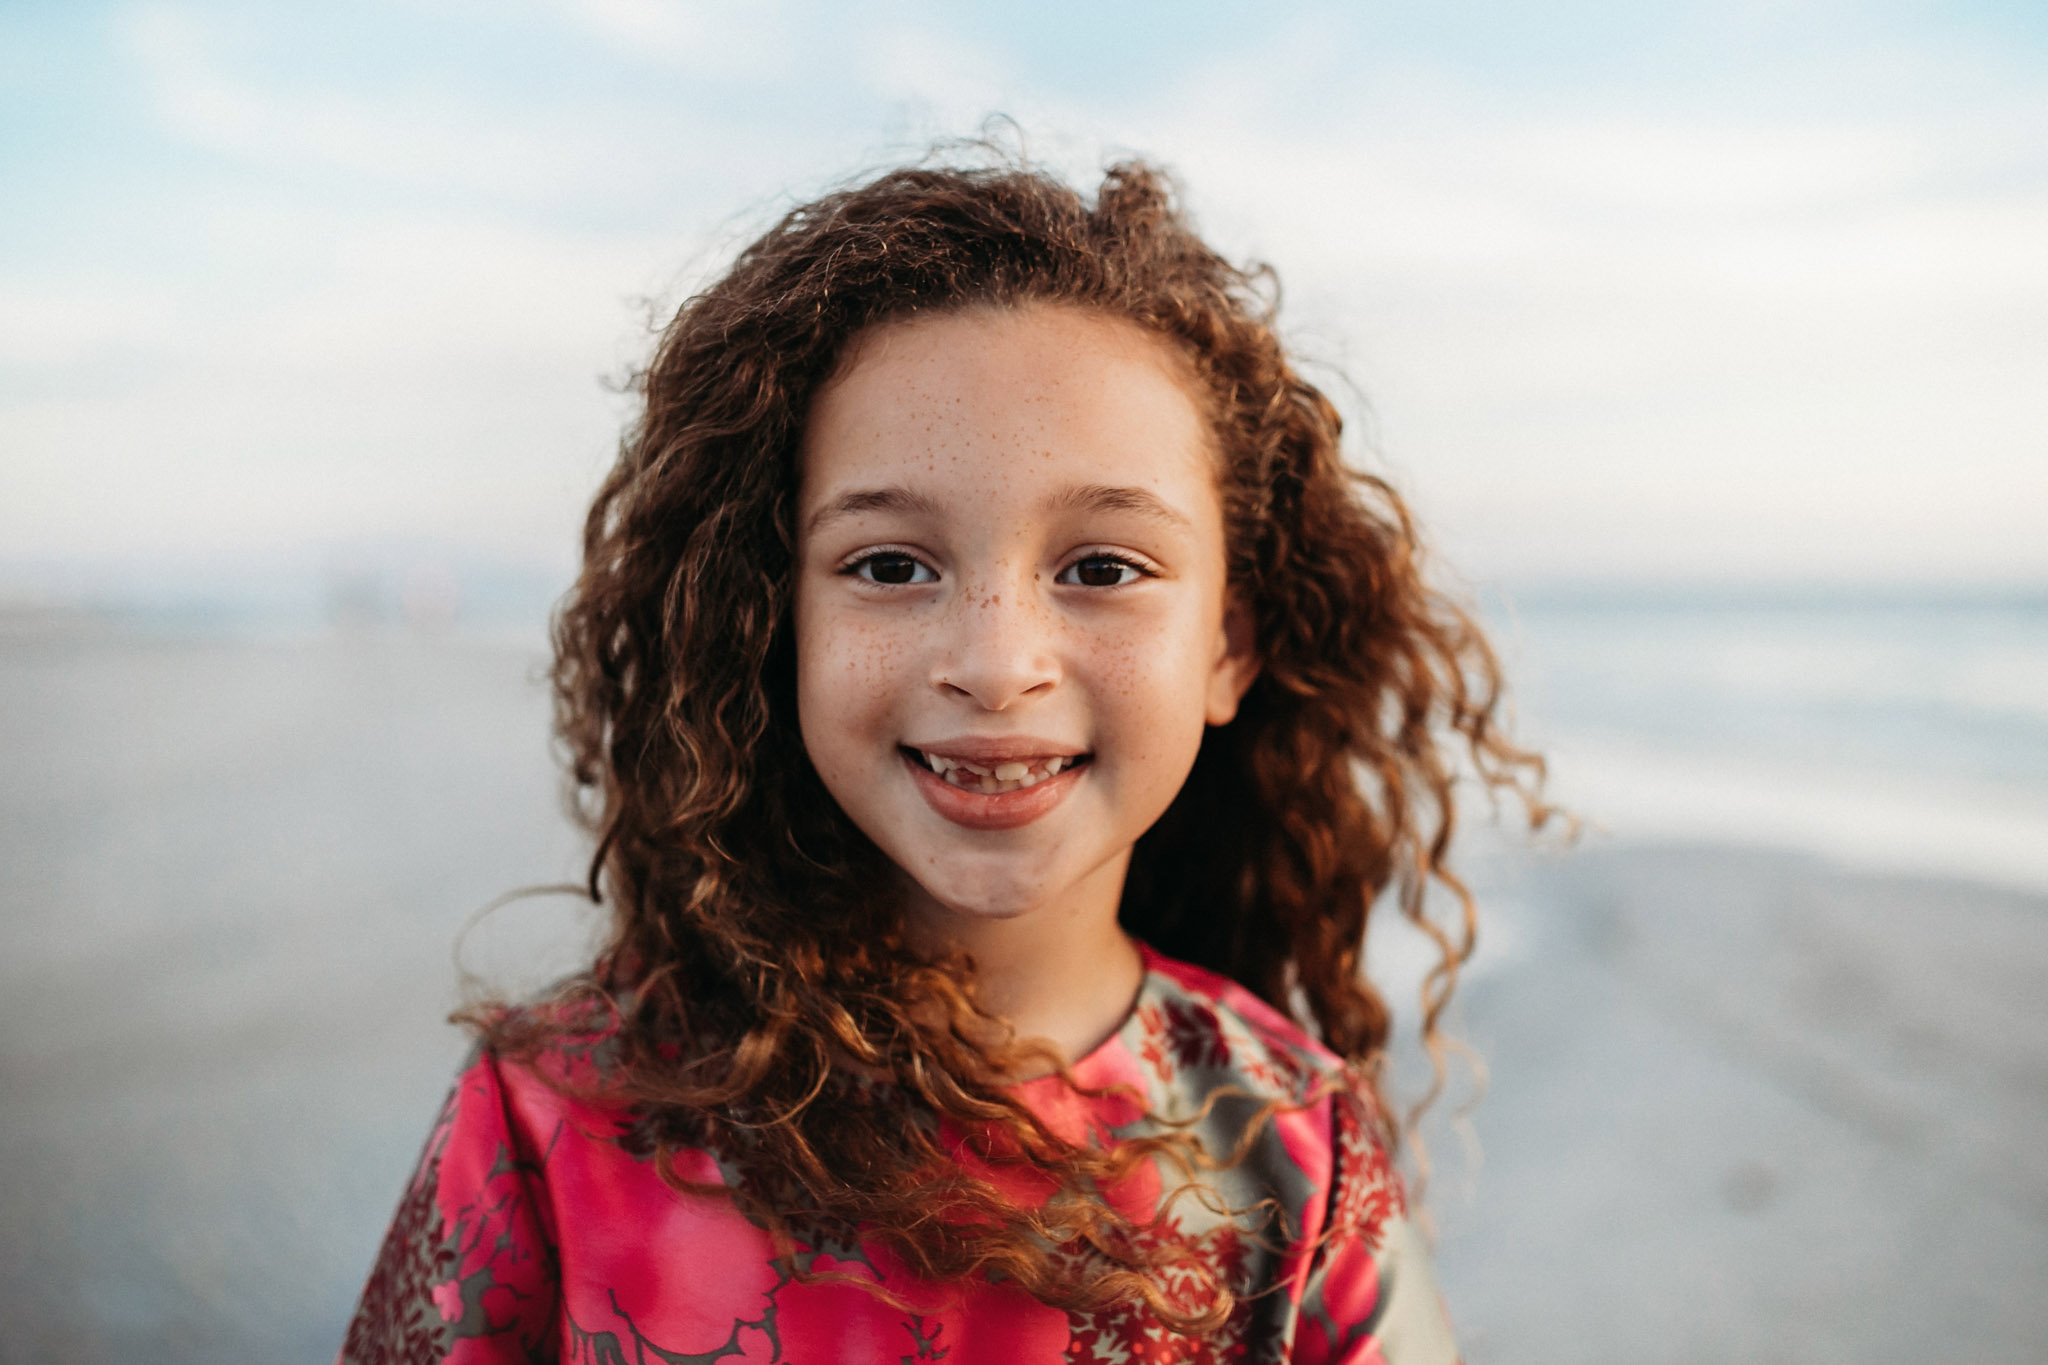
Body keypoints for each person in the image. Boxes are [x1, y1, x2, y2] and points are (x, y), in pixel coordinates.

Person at [339, 148, 1547, 1364]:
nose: (995, 661)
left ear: (1227, 649)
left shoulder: (1298, 1155)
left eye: (1102, 569)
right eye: (889, 566)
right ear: (775, 622)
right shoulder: (554, 1123)